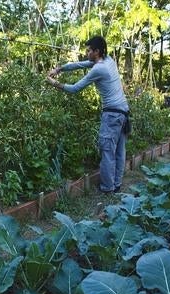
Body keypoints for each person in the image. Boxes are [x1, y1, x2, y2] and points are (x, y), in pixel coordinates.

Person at [46, 36, 129, 193]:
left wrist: (54, 83)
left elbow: (74, 88)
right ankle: (116, 185)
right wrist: (59, 69)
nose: (86, 52)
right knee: (119, 151)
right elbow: (78, 65)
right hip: (123, 112)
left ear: (96, 51)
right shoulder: (108, 60)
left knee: (107, 151)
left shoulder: (99, 69)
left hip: (112, 115)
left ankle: (107, 188)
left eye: (89, 50)